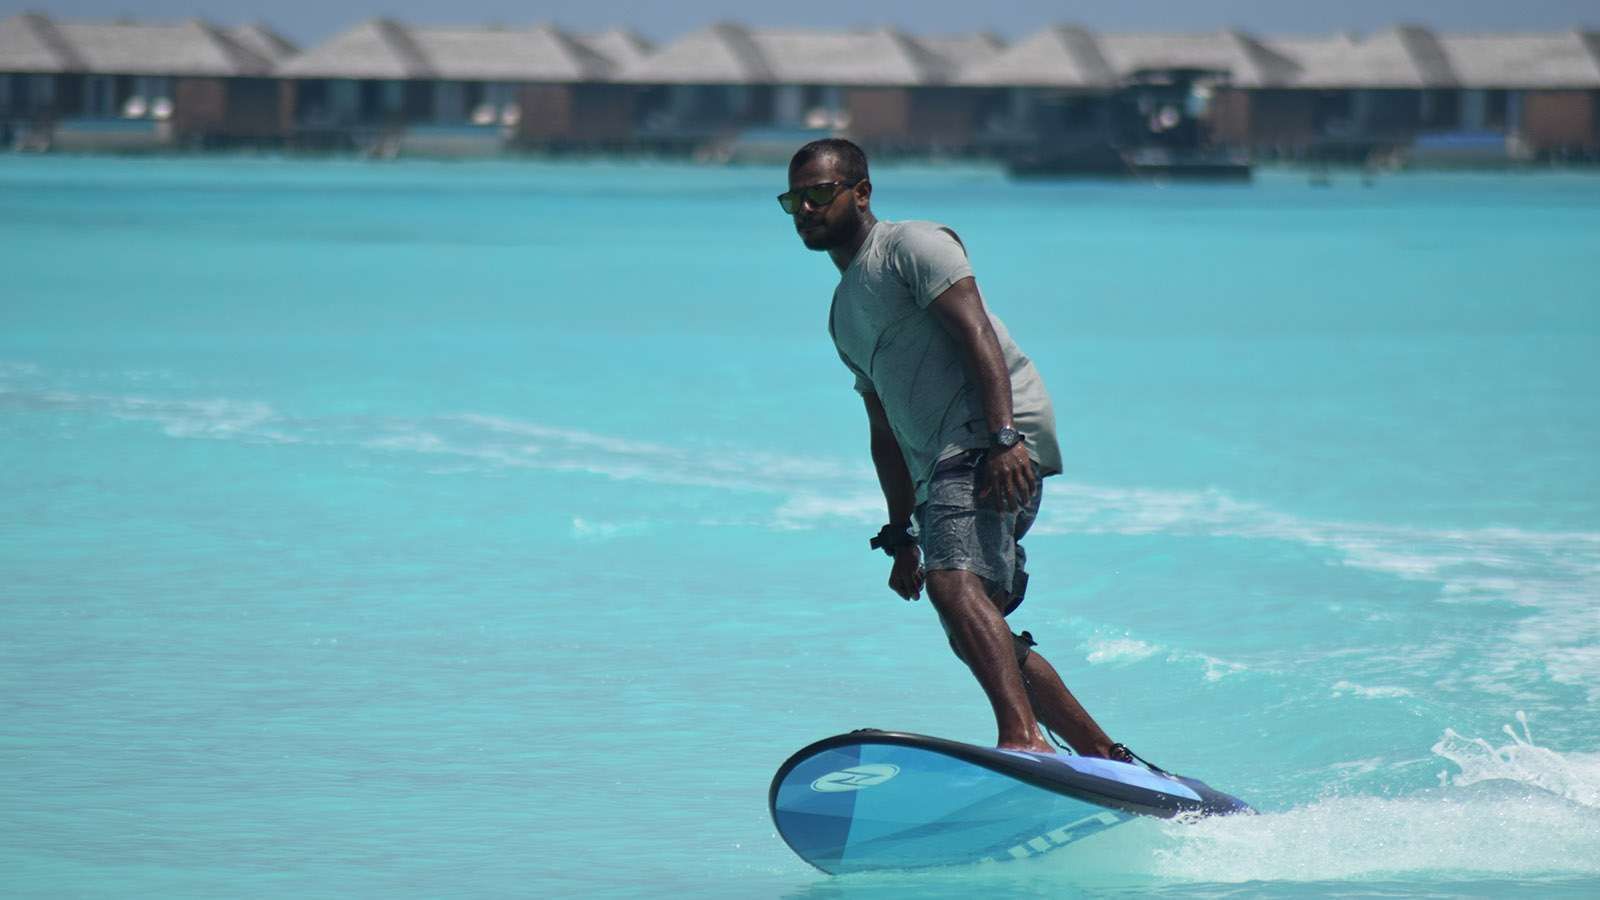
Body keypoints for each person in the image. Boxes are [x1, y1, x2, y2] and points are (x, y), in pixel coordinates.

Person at [782, 138, 1135, 760]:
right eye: (794, 200)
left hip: (986, 435)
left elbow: (977, 335)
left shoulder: (912, 246)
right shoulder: (842, 315)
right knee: (973, 626)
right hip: (946, 460)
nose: (806, 209)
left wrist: (1004, 439)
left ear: (861, 192)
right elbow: (884, 428)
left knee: (954, 586)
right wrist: (900, 533)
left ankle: (1024, 740)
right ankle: (1103, 757)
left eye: (819, 193)